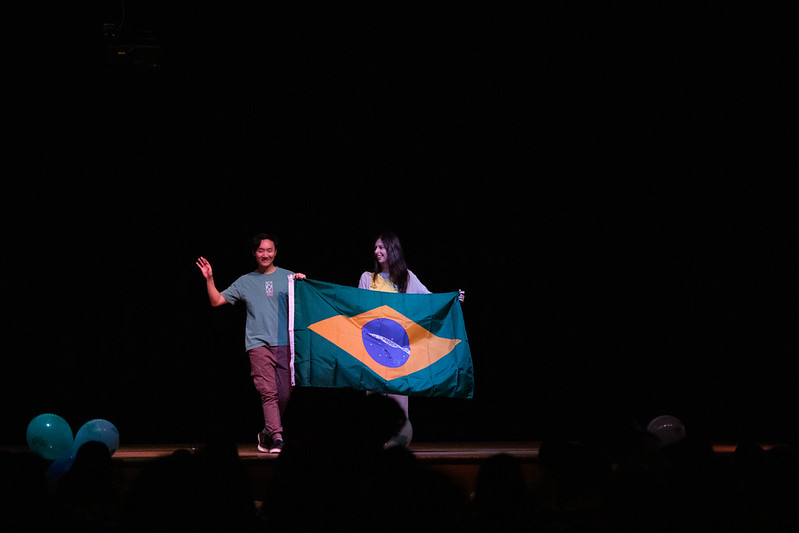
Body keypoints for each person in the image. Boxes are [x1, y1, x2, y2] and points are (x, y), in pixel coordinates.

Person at [196, 233, 305, 453]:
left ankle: (266, 431)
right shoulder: (246, 281)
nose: (265, 254)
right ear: (254, 253)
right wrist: (209, 279)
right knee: (268, 392)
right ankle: (277, 437)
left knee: (284, 393)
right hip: (258, 344)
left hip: (284, 343)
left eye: (269, 250)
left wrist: (302, 283)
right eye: (260, 250)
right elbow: (216, 301)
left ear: (275, 252)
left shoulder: (288, 277)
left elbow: (307, 300)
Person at [358, 232, 464, 447]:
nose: (377, 251)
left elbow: (429, 300)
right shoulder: (367, 278)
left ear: (392, 250)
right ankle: (374, 448)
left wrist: (452, 300)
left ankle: (398, 451)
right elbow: (360, 311)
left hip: (398, 351)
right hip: (373, 349)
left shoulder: (406, 278)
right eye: (375, 247)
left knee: (399, 405)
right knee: (374, 402)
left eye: (382, 247)